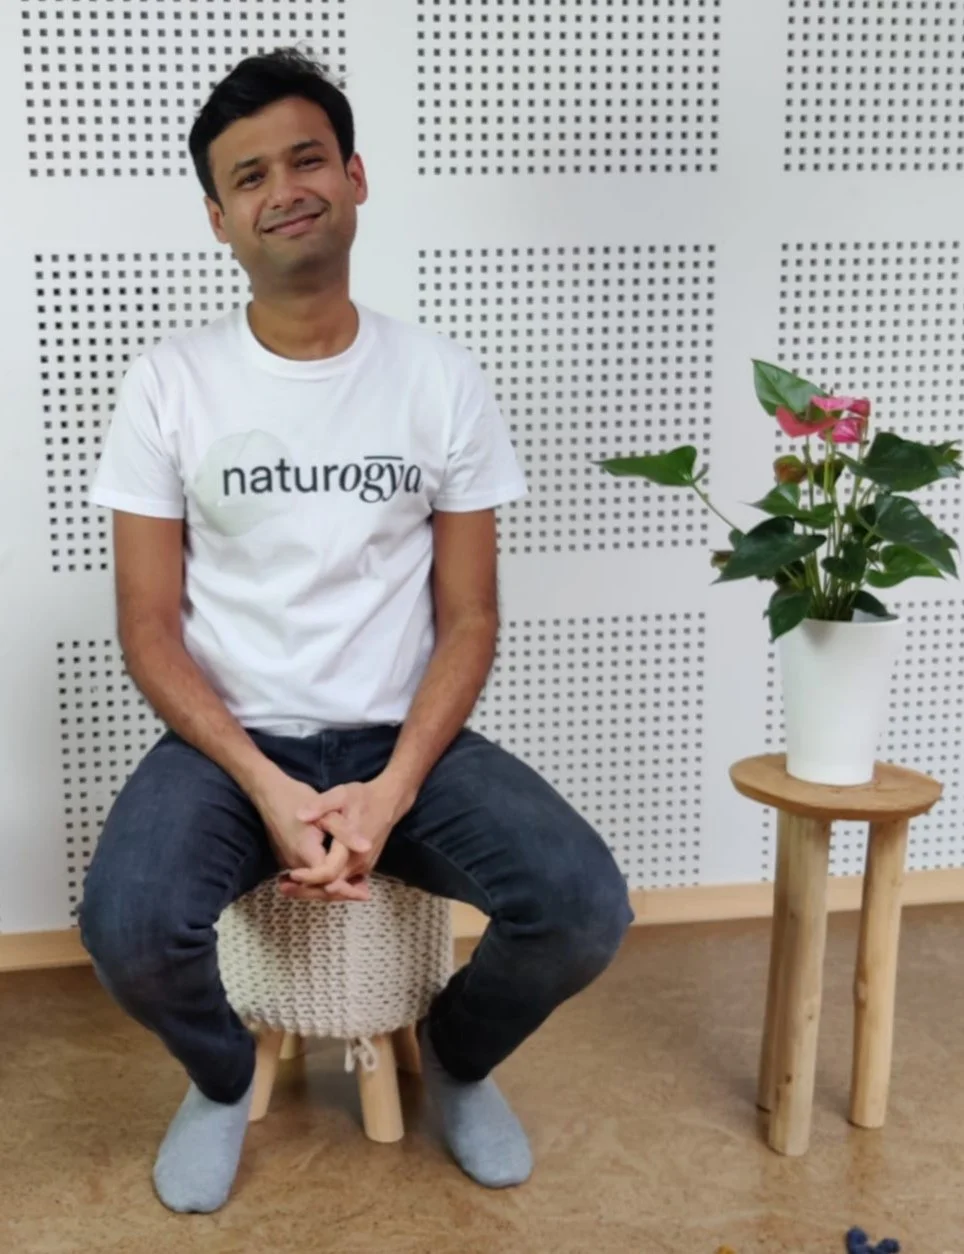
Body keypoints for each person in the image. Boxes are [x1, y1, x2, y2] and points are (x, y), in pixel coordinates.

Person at [79, 47, 633, 1214]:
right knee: (127, 928)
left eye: (305, 157)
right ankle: (223, 1082)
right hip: (229, 745)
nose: (284, 187)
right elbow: (147, 626)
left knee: (583, 908)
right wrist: (267, 785)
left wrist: (386, 791)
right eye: (248, 177)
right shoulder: (167, 384)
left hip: (401, 739)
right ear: (218, 219)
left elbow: (470, 617)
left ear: (355, 176)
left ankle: (461, 1060)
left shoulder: (438, 378)